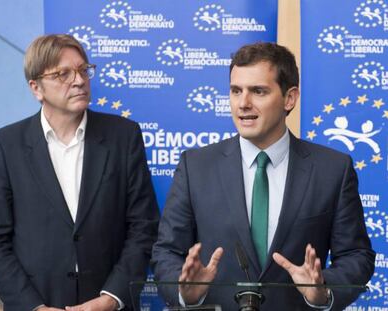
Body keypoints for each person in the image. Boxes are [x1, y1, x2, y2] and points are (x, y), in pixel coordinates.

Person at [151, 42, 375, 310]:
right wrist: (186, 292)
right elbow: (166, 252)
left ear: (289, 98)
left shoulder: (333, 169)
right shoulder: (195, 166)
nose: (243, 103)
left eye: (258, 91)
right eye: (236, 91)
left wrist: (323, 291)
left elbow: (355, 256)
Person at [0, 34, 159, 311]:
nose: (79, 80)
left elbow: (144, 227)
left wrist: (111, 298)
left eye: (83, 70)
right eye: (63, 74)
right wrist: (33, 306)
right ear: (36, 88)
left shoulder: (124, 136)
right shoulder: (7, 144)